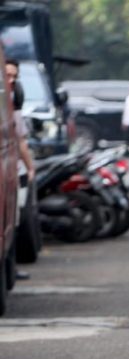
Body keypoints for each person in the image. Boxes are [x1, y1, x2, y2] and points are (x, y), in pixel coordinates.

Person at [6, 59, 33, 281]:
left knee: (13, 222)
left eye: (14, 76)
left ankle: (11, 267)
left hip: (14, 173)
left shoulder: (13, 110)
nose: (11, 80)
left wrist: (30, 169)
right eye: (6, 75)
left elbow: (22, 144)